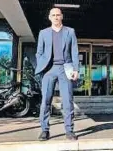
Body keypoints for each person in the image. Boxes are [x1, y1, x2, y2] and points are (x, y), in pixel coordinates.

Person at [35, 8, 79, 141]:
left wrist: (76, 69)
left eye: (58, 15)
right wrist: (42, 66)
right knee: (46, 101)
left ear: (62, 17)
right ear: (49, 17)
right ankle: (44, 130)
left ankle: (69, 131)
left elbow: (74, 51)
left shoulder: (70, 32)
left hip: (65, 69)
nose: (55, 17)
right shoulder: (43, 33)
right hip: (49, 69)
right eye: (53, 15)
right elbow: (39, 52)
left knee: (67, 101)